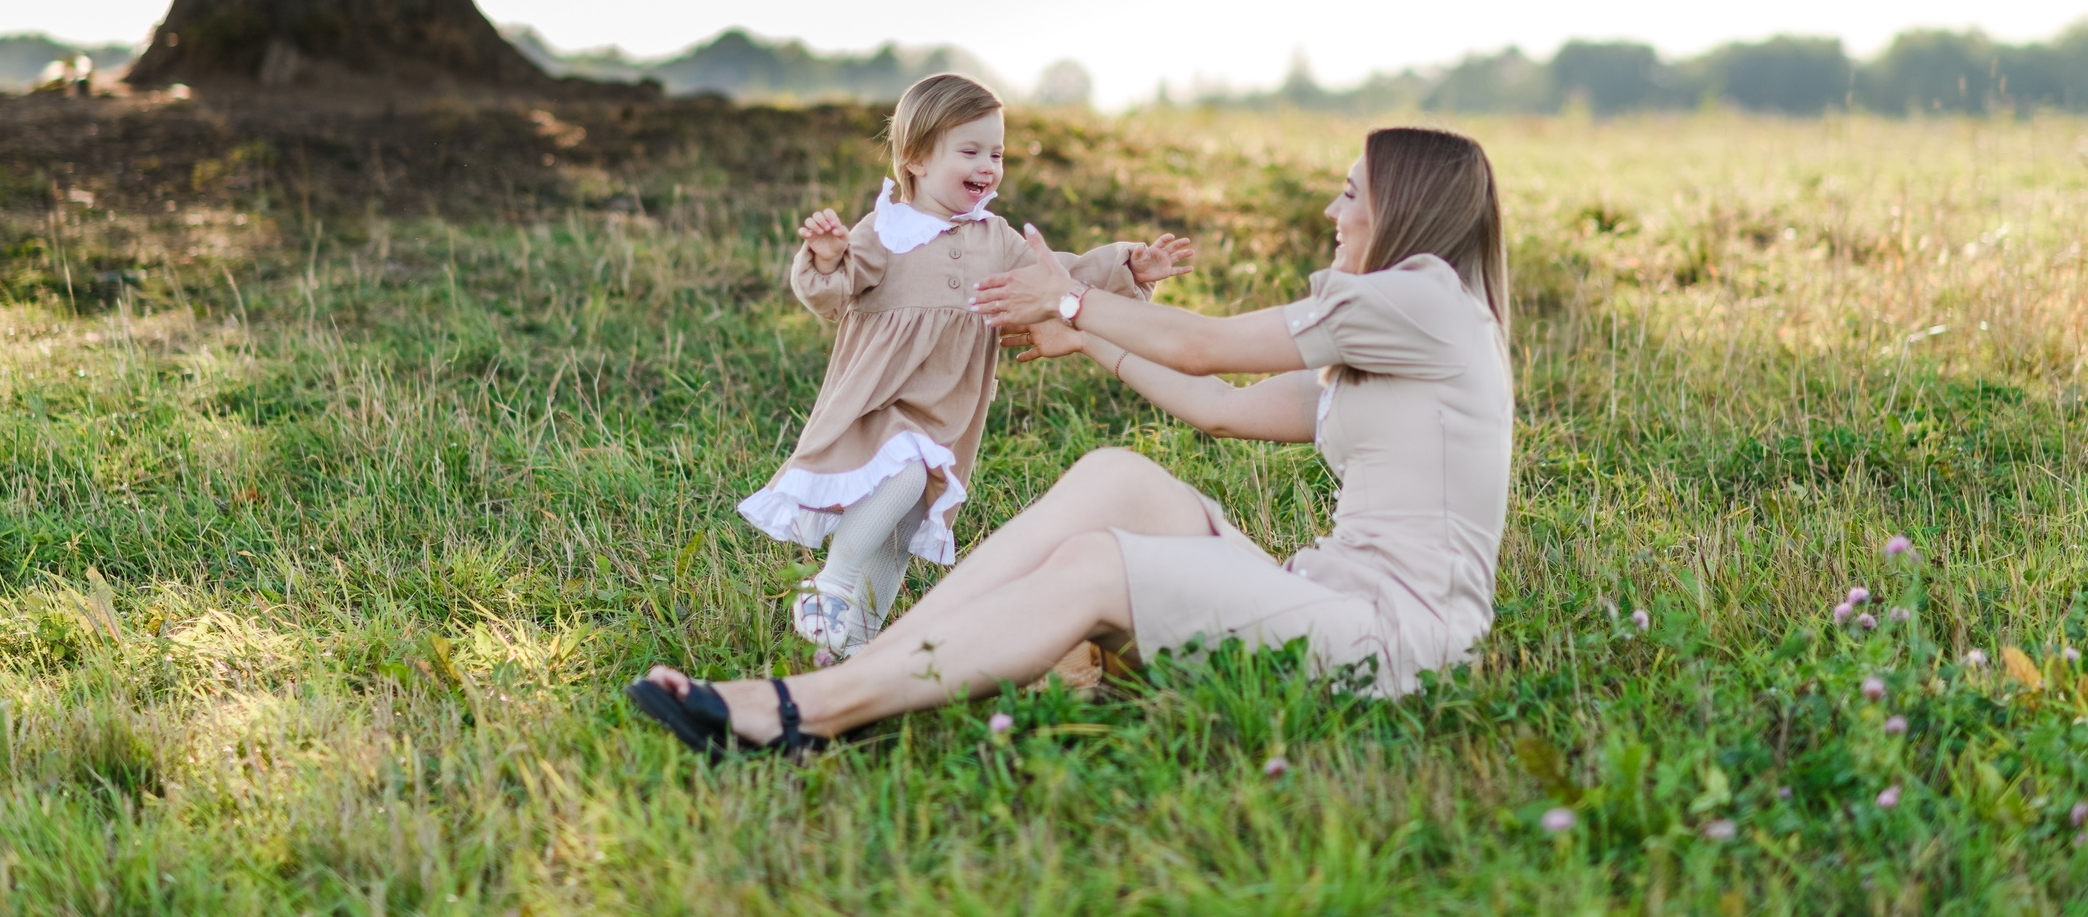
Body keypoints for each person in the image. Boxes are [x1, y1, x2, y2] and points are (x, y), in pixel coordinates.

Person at [629, 126, 1513, 758]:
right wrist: (1090, 338)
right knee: (1115, 478)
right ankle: (878, 664)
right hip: (1323, 602)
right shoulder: (1412, 330)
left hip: (1396, 648)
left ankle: (806, 711)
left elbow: (1205, 343)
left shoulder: (1421, 298)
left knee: (1098, 561)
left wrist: (1070, 299)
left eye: (1351, 191)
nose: (1332, 205)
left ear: (1405, 206)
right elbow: (1219, 406)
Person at [738, 72, 1196, 655]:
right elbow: (834, 294)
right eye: (971, 151)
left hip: (947, 410)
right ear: (916, 159)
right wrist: (827, 259)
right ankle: (830, 584)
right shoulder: (885, 230)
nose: (989, 165)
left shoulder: (994, 238)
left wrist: (1127, 268)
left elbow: (1057, 271)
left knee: (907, 522)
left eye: (997, 153)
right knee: (903, 470)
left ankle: (858, 642)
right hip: (882, 400)